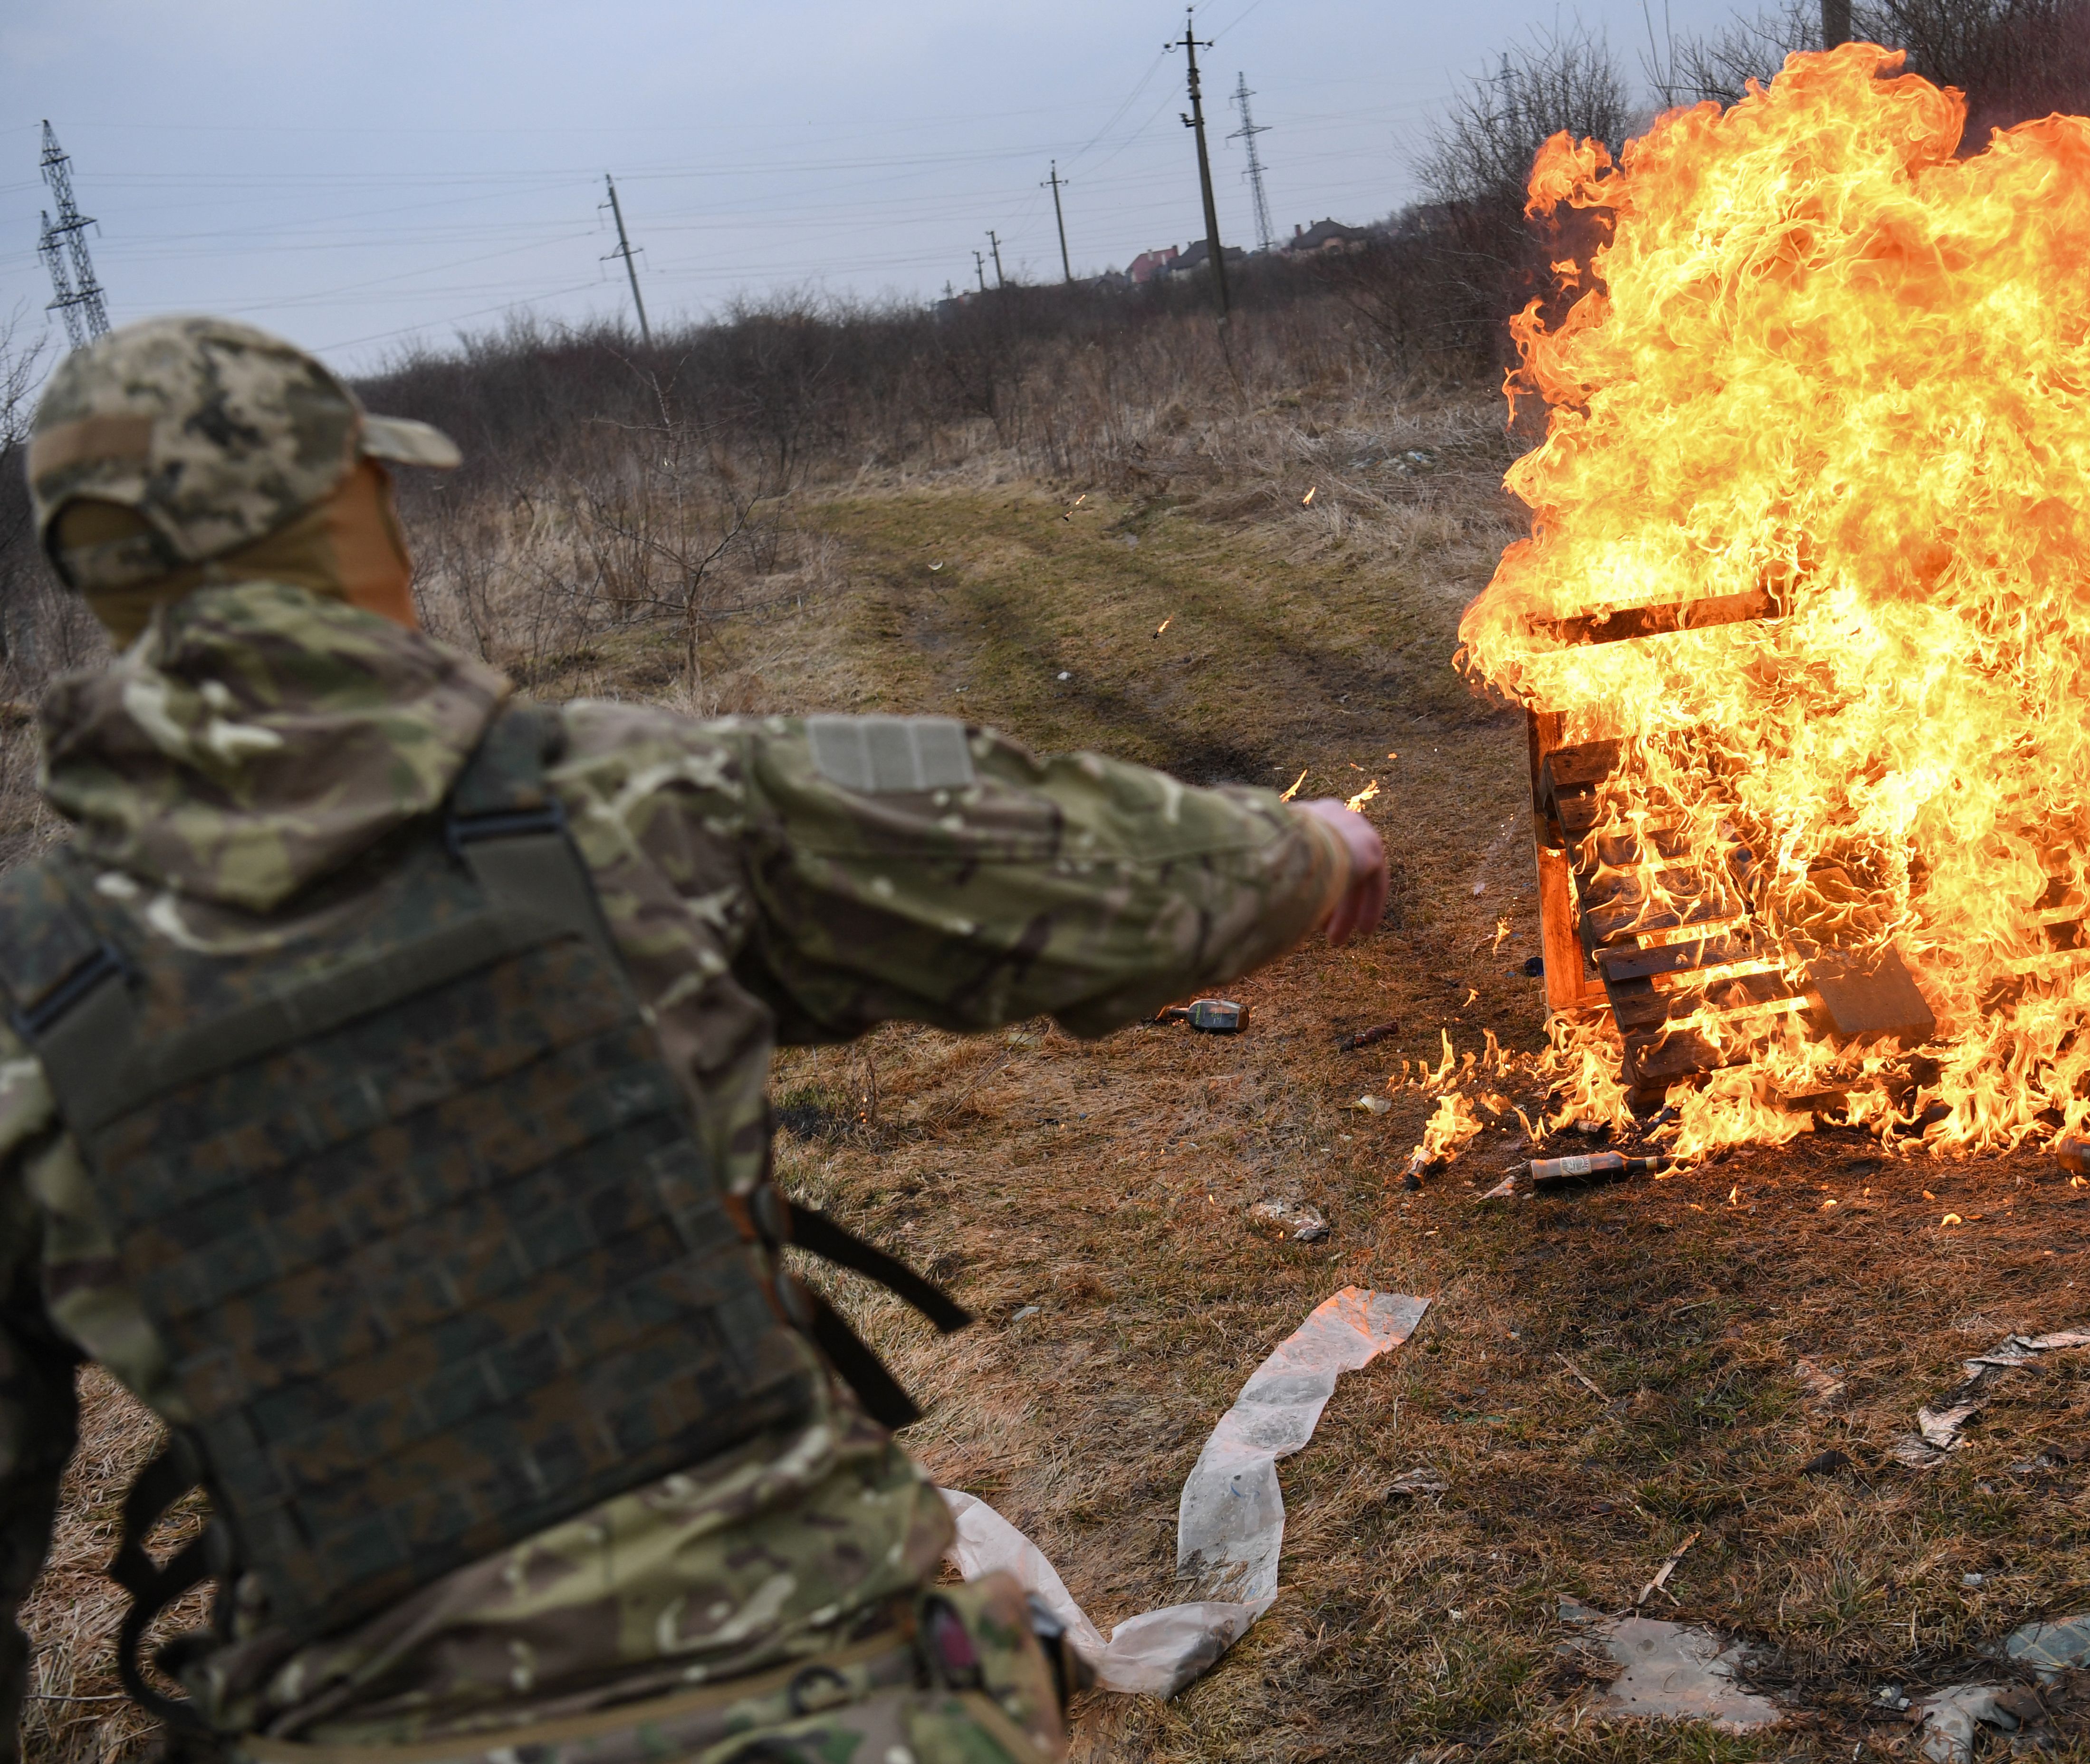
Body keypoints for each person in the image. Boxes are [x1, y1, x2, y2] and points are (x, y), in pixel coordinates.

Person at [0, 316, 1388, 1764]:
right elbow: (1034, 854)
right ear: (344, 520)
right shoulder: (625, 805)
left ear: (99, 574)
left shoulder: (28, 1002)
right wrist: (1300, 851)